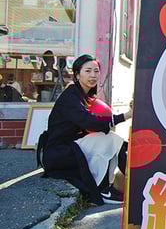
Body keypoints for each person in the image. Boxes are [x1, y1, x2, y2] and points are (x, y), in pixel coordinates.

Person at [36, 54, 132, 205]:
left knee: (112, 139)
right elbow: (89, 122)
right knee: (107, 140)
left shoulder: (83, 95)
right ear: (77, 74)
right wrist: (126, 116)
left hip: (71, 147)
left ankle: (125, 184)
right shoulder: (70, 97)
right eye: (88, 71)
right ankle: (102, 189)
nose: (93, 75)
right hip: (59, 154)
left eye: (96, 71)